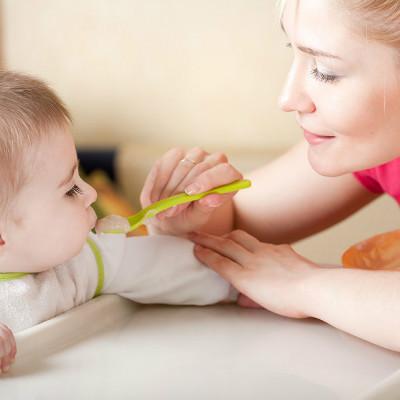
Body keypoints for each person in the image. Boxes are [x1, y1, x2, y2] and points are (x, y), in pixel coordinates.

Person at [140, 0, 400, 352]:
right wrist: (188, 214)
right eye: (294, 53)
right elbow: (240, 219)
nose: (287, 98)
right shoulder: (378, 149)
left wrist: (304, 285)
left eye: (325, 69)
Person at [0, 72, 236, 374]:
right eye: (70, 189)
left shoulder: (82, 261)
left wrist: (240, 284)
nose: (91, 193)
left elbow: (169, 267)